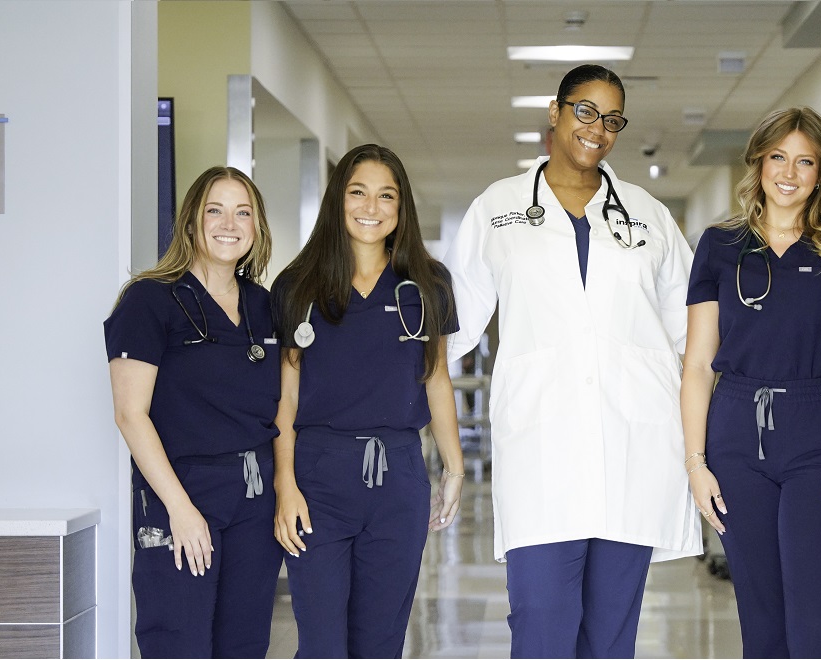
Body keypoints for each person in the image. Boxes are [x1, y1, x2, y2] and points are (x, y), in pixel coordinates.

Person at [442, 64, 701, 658]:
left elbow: (694, 335)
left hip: (631, 453)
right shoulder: (498, 209)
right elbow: (452, 328)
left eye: (612, 119)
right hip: (539, 455)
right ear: (555, 114)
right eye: (585, 111)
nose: (598, 129)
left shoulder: (647, 216)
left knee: (611, 637)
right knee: (540, 627)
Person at [680, 107, 821, 658]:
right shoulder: (720, 246)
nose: (789, 172)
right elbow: (698, 364)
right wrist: (696, 463)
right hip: (736, 436)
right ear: (758, 162)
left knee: (814, 623)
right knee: (761, 622)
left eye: (805, 161)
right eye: (778, 157)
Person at [270, 144, 464, 658]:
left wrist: (455, 468)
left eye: (386, 196)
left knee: (380, 642)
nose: (371, 207)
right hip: (317, 477)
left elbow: (436, 377)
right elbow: (285, 399)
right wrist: (285, 485)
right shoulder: (297, 286)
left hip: (397, 480)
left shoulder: (427, 284)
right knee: (322, 644)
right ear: (337, 200)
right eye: (358, 192)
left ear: (402, 209)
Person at [105, 166, 282, 657]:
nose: (230, 223)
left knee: (244, 645)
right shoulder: (150, 300)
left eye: (243, 212)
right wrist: (180, 510)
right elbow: (129, 414)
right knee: (178, 642)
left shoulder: (265, 307)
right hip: (180, 492)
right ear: (191, 223)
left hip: (254, 495)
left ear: (257, 226)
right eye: (215, 210)